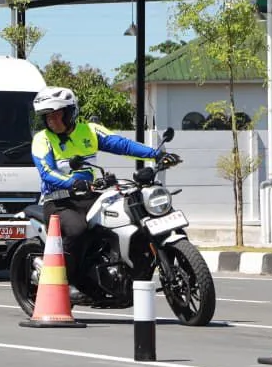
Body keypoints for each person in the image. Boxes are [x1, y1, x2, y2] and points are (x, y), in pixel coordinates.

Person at [30, 86, 181, 297]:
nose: (51, 120)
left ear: (70, 112)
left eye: (57, 114)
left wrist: (156, 155)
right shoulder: (42, 139)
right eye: (47, 116)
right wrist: (73, 183)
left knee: (127, 213)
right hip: (60, 201)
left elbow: (121, 145)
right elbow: (46, 172)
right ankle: (66, 280)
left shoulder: (89, 130)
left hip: (92, 196)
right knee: (77, 230)